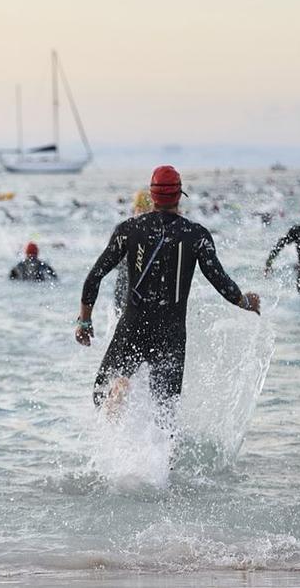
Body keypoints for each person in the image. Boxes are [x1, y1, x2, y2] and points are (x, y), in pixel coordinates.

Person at [75, 165, 260, 423]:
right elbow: (221, 282)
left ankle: (115, 442)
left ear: (152, 196)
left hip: (133, 327)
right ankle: (160, 461)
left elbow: (94, 277)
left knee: (100, 394)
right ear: (179, 195)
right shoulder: (197, 236)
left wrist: (84, 321)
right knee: (165, 417)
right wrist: (245, 301)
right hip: (170, 335)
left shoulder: (128, 230)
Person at [113, 189, 154, 315]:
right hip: (144, 290)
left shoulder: (123, 228)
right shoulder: (156, 231)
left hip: (124, 286)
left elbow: (113, 262)